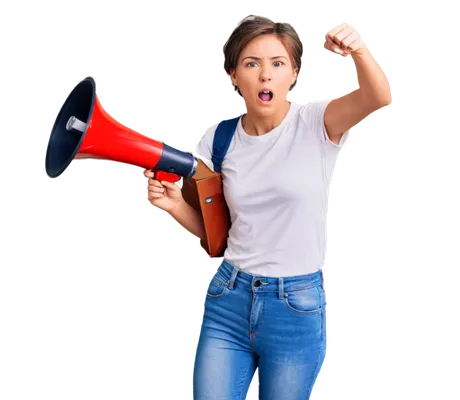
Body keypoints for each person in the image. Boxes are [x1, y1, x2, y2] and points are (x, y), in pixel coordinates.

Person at [143, 13, 392, 400]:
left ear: (294, 73)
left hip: (295, 307)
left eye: (277, 64)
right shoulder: (219, 140)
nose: (265, 75)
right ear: (233, 76)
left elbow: (377, 97)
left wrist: (358, 50)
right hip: (229, 298)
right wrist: (174, 205)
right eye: (251, 63)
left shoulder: (315, 122)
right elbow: (218, 237)